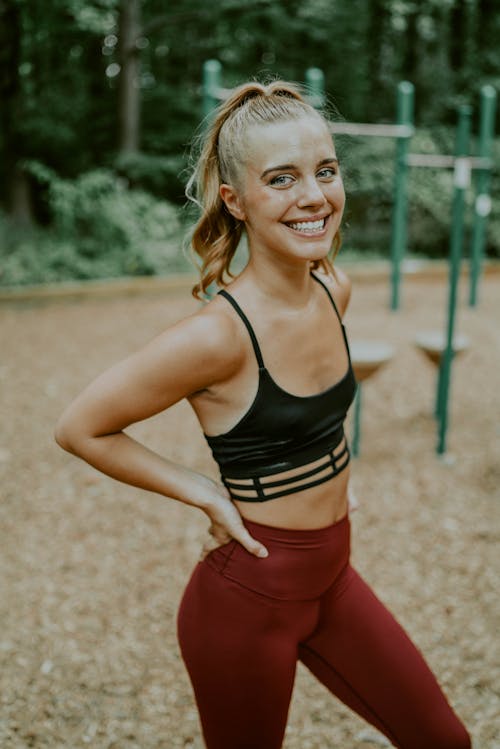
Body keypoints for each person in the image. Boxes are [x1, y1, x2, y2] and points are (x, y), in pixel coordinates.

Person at [54, 80, 472, 749]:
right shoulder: (216, 336)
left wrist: (331, 466)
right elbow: (80, 426)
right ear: (235, 200)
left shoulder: (334, 290)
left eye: (325, 171)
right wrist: (204, 492)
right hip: (246, 602)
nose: (313, 196)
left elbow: (301, 415)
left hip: (333, 581)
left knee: (444, 740)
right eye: (281, 179)